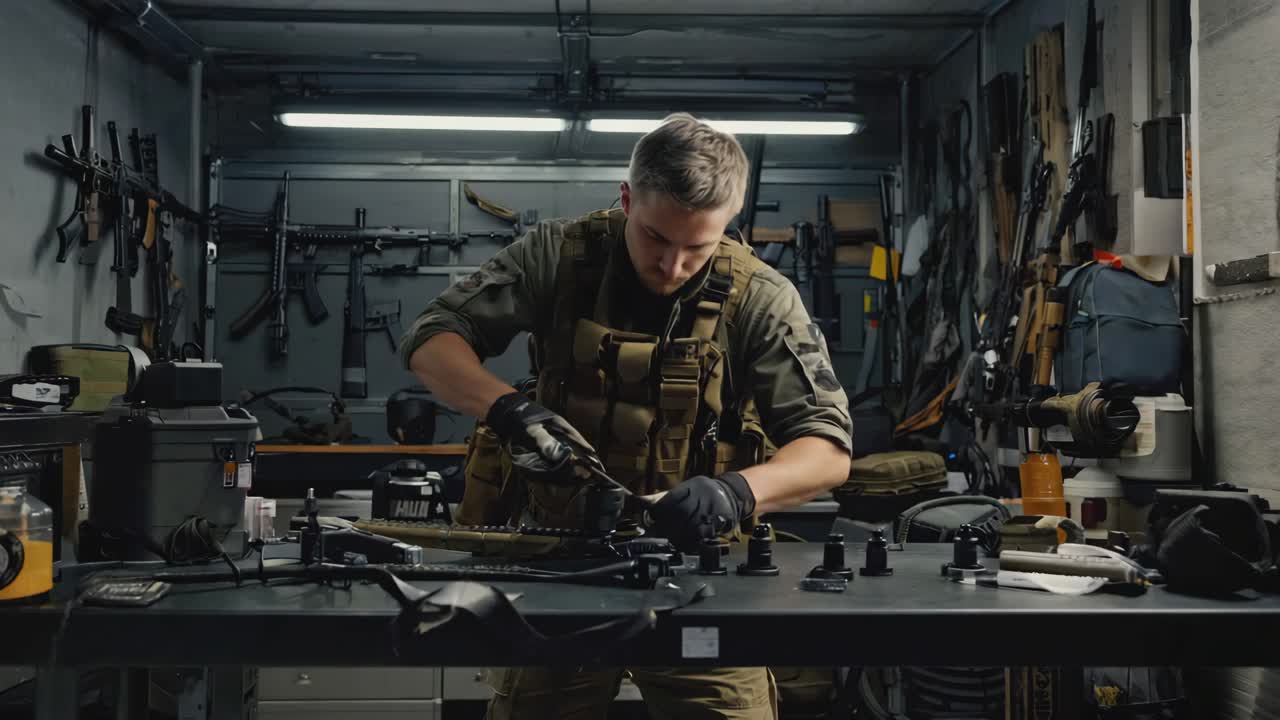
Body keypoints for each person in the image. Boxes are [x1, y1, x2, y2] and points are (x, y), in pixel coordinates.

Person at [401, 113, 853, 719]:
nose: (672, 267)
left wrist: (736, 493)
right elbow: (432, 340)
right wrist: (507, 408)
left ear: (729, 224)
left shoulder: (760, 296)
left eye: (698, 246)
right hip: (562, 565)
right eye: (655, 238)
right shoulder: (557, 256)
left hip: (700, 576)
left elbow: (827, 449)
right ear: (626, 198)